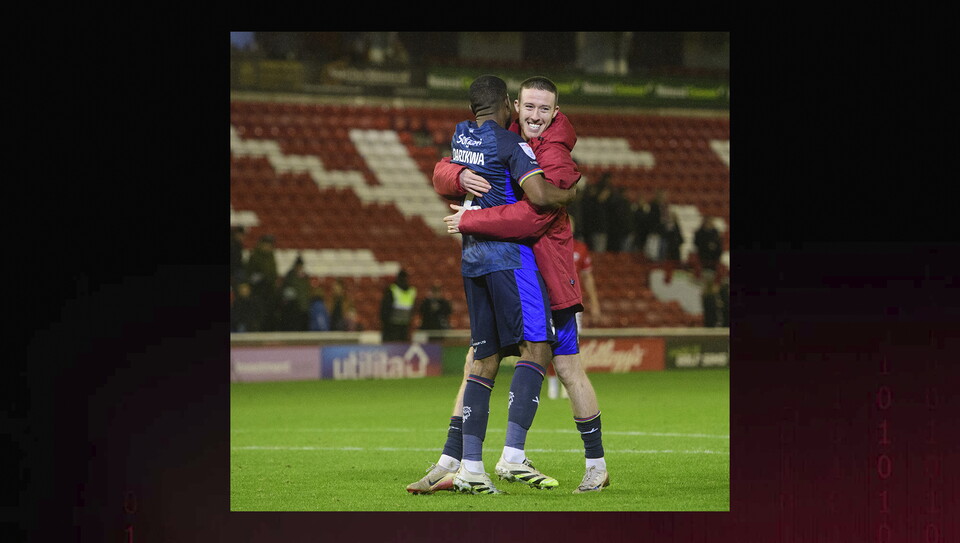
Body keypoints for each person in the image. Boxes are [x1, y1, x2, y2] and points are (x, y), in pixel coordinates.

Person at [407, 76, 609, 495]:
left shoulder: (555, 155)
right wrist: (459, 176)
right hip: (513, 272)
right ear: (514, 106)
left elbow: (532, 217)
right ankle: (455, 458)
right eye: (528, 107)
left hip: (548, 277)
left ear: (555, 112)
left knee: (567, 368)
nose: (534, 116)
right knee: (479, 359)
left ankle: (591, 465)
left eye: (543, 109)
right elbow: (444, 167)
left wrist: (468, 219)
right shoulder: (507, 133)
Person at [546, 215, 600, 400]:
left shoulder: (580, 248)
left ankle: (568, 386)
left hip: (573, 304)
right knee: (550, 345)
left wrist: (594, 302)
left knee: (571, 345)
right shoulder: (547, 243)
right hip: (551, 301)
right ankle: (552, 385)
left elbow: (588, 277)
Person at [245, 234, 280, 331]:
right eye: (267, 244)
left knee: (269, 314)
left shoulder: (271, 256)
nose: (269, 247)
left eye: (270, 245)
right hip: (258, 291)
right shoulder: (255, 256)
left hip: (270, 290)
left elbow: (273, 273)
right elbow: (249, 274)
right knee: (258, 314)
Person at [379, 269, 417, 342]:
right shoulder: (412, 291)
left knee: (391, 348)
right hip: (405, 323)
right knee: (402, 348)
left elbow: (385, 308)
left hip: (391, 324)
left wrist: (384, 322)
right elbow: (414, 308)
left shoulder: (392, 289)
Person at [693, 215, 723, 286]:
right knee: (705, 276)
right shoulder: (699, 232)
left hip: (713, 259)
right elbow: (697, 243)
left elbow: (719, 246)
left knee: (711, 277)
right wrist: (707, 246)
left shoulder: (715, 233)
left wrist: (715, 248)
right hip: (703, 258)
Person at [660, 211, 685, 284]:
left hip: (676, 248)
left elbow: (680, 237)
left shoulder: (676, 226)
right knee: (669, 263)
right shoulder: (667, 225)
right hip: (670, 248)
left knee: (677, 264)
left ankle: (677, 279)